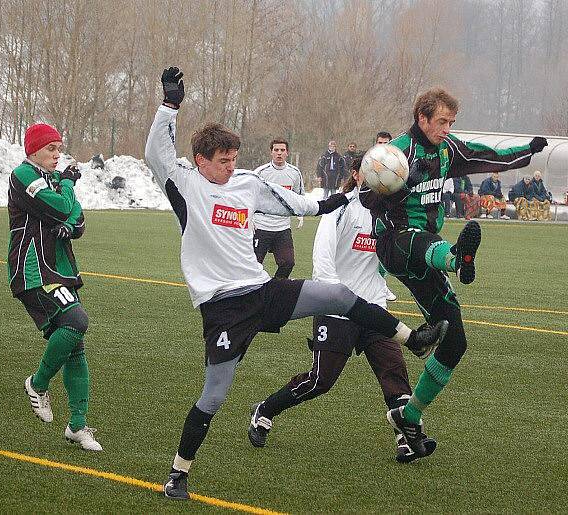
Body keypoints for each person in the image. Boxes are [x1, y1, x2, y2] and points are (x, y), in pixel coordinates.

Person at [146, 67, 447, 500]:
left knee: (340, 295)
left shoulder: (248, 183)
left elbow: (300, 203)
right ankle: (178, 474)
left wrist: (345, 197)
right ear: (200, 161)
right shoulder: (185, 186)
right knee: (213, 396)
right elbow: (156, 152)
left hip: (262, 291)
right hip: (223, 309)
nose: (232, 167)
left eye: (234, 158)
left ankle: (412, 338)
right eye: (223, 160)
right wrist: (169, 105)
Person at [359, 87, 546, 459]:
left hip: (426, 256)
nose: (447, 128)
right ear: (422, 119)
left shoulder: (448, 148)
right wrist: (398, 184)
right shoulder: (396, 152)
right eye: (441, 122)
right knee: (424, 239)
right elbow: (367, 197)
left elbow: (488, 156)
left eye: (451, 122)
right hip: (395, 243)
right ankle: (458, 258)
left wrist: (528, 149)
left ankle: (409, 417)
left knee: (455, 340)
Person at [248, 155, 428, 463]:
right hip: (337, 308)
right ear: (358, 175)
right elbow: (322, 260)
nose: (381, 178)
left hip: (373, 309)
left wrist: (412, 183)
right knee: (321, 381)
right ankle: (264, 410)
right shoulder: (339, 208)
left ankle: (408, 438)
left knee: (394, 372)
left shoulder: (388, 213)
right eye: (374, 172)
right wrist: (336, 298)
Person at [9, 123, 100, 452]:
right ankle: (37, 383)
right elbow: (64, 207)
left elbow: (78, 221)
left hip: (60, 269)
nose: (57, 153)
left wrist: (68, 206)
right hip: (34, 270)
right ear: (33, 150)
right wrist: (67, 186)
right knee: (77, 321)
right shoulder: (23, 175)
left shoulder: (53, 179)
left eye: (59, 147)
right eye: (51, 148)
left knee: (75, 344)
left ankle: (77, 425)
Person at [253, 138, 303, 279]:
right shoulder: (260, 172)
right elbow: (250, 196)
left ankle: (275, 290)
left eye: (282, 150)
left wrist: (300, 214)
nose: (279, 153)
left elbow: (299, 196)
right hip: (261, 226)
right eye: (276, 150)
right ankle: (252, 295)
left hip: (282, 228)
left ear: (287, 153)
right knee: (253, 265)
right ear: (271, 152)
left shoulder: (294, 173)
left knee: (288, 263)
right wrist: (250, 217)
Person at [373, 131, 397, 302]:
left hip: (389, 213)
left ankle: (381, 283)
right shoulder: (369, 163)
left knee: (384, 248)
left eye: (386, 143)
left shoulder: (397, 164)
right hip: (369, 212)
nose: (383, 146)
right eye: (380, 143)